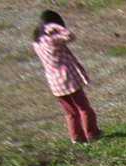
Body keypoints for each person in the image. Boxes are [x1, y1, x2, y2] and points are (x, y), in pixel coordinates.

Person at [32, 10, 101, 144]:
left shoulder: (37, 42)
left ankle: (76, 137)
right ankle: (92, 133)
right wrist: (56, 27)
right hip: (67, 79)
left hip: (54, 82)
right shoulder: (53, 39)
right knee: (84, 108)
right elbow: (70, 36)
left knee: (70, 112)